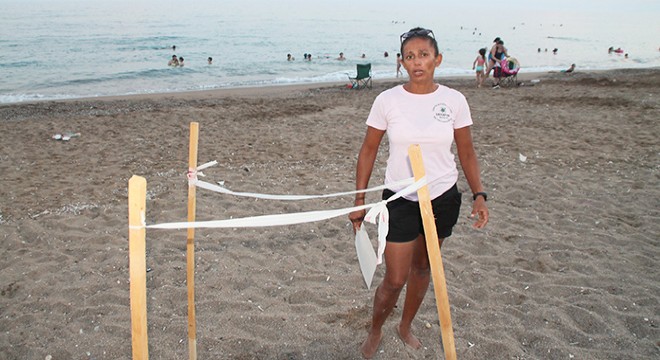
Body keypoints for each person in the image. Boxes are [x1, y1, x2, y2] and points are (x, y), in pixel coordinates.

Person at [349, 27, 489, 359]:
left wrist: (479, 194)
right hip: (400, 198)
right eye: (409, 56)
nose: (417, 62)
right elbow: (368, 150)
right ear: (401, 62)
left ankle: (405, 325)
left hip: (442, 197)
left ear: (437, 59)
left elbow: (466, 152)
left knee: (424, 267)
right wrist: (358, 202)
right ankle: (376, 328)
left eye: (423, 55)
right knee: (395, 278)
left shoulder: (454, 100)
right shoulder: (387, 100)